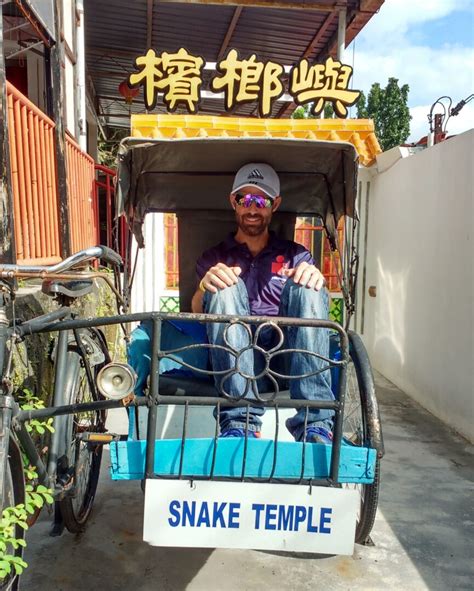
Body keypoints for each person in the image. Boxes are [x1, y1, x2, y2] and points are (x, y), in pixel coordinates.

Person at [191, 163, 334, 444]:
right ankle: (239, 422)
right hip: (234, 353)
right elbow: (197, 311)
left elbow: (314, 298)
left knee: (310, 285)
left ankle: (316, 424)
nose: (252, 208)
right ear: (234, 202)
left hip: (288, 355)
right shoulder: (214, 256)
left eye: (261, 200)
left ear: (275, 204)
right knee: (222, 285)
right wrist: (204, 284)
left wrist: (315, 277)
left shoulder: (296, 255)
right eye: (245, 199)